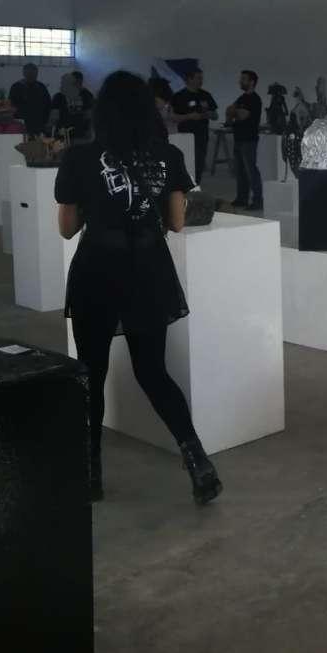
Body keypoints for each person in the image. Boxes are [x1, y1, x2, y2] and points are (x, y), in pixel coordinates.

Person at [54, 71, 222, 506]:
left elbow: (67, 229)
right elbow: (177, 222)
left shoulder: (79, 157)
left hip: (97, 271)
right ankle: (197, 459)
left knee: (91, 373)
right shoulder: (167, 155)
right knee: (153, 372)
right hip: (148, 270)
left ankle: (91, 473)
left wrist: (98, 207)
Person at [171, 68, 218, 184]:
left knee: (199, 164)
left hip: (202, 135)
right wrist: (189, 116)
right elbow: (173, 118)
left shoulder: (205, 95)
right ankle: (186, 187)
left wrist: (207, 114)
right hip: (185, 136)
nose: (201, 81)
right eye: (198, 78)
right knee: (186, 164)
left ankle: (196, 186)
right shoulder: (179, 96)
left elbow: (215, 115)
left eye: (201, 78)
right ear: (189, 79)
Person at [226, 69, 263, 209]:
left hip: (249, 140)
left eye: (243, 79)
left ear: (252, 82)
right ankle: (242, 198)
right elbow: (229, 111)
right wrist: (235, 112)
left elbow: (242, 115)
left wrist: (234, 112)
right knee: (240, 171)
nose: (240, 81)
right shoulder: (241, 98)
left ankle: (257, 200)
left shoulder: (255, 99)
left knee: (251, 171)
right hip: (238, 138)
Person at [9, 62, 52, 136]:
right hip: (22, 124)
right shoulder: (16, 87)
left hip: (39, 123)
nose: (31, 75)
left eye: (34, 73)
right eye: (29, 73)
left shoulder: (41, 87)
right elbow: (11, 105)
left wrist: (48, 122)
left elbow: (48, 105)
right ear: (24, 73)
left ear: (37, 74)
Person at [52, 71, 95, 139]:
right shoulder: (59, 96)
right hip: (66, 132)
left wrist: (89, 130)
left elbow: (89, 115)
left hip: (78, 132)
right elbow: (55, 116)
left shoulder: (86, 95)